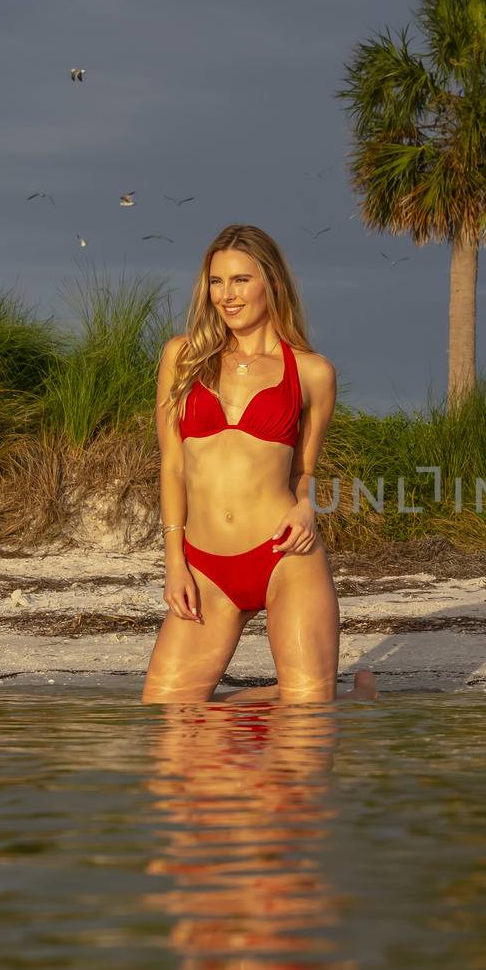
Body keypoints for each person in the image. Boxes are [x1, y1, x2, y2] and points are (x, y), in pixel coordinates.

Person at [142, 223, 376, 704]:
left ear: (271, 281)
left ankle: (331, 699)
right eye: (216, 282)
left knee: (305, 729)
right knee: (166, 718)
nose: (227, 296)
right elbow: (172, 466)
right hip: (205, 566)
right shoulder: (181, 357)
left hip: (283, 556)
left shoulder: (311, 372)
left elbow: (302, 472)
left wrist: (307, 505)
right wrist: (174, 563)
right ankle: (336, 697)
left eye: (240, 280)